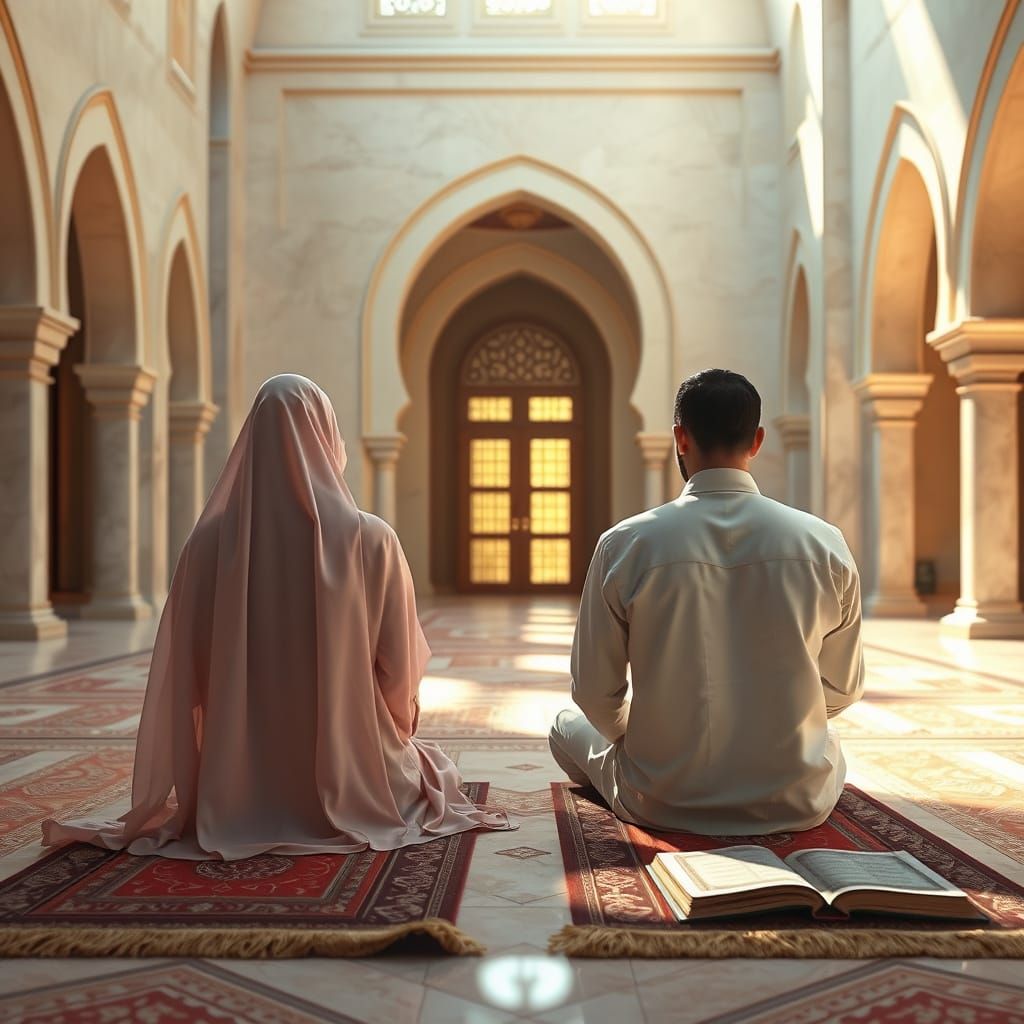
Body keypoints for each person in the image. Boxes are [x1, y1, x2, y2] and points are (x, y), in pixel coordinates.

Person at [43, 374, 511, 859]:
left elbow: (188, 675)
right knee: (433, 767)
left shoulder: (206, 546)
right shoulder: (372, 540)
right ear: (326, 436)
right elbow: (398, 669)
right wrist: (391, 728)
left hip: (234, 783)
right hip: (358, 772)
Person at [548, 368, 864, 835]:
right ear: (757, 441)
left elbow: (593, 692)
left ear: (680, 437)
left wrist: (654, 744)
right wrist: (778, 726)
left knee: (564, 724)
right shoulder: (823, 542)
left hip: (662, 797)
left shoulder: (625, 544)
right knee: (826, 737)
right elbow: (843, 688)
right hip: (795, 798)